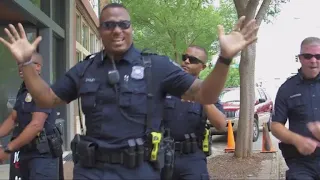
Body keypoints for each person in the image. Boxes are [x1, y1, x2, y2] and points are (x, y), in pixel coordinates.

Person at [0, 3, 258, 180]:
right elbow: (47, 98)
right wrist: (26, 64)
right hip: (92, 170)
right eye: (109, 25)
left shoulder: (156, 66)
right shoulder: (85, 69)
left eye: (124, 24)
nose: (117, 30)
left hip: (140, 170)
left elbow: (205, 95)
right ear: (100, 30)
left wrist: (224, 59)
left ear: (131, 28)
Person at [163, 45, 226, 180]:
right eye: (184, 57)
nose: (186, 61)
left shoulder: (208, 91)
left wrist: (203, 97)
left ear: (202, 67)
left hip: (191, 158)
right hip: (161, 155)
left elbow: (221, 124)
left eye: (192, 59)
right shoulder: (166, 87)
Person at [0, 53, 63, 179]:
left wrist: (7, 149)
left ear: (38, 67)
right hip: (25, 153)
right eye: (19, 64)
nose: (20, 68)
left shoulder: (43, 90)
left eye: (24, 64)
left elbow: (36, 125)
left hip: (42, 156)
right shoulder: (23, 90)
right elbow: (13, 118)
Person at [271, 37, 320, 180]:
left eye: (318, 56)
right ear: (300, 58)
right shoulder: (287, 88)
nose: (313, 60)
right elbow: (275, 126)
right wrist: (297, 140)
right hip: (300, 163)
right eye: (308, 56)